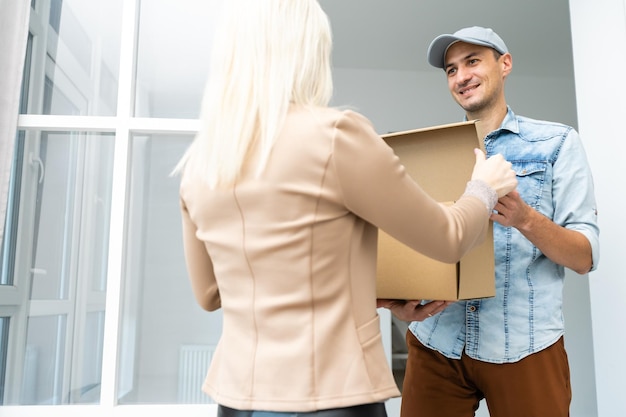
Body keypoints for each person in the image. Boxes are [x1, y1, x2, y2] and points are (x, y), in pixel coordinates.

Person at [173, 3, 517, 416]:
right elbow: (448, 239)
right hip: (331, 397)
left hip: (236, 399)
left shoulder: (201, 163)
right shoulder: (334, 135)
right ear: (305, 50)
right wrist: (485, 187)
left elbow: (211, 294)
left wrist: (370, 297)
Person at [397, 26, 600, 417]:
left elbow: (584, 257)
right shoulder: (431, 150)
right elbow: (416, 244)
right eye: (451, 69)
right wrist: (402, 299)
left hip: (525, 344)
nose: (461, 76)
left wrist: (525, 219)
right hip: (437, 341)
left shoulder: (557, 144)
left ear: (504, 64)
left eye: (472, 61)